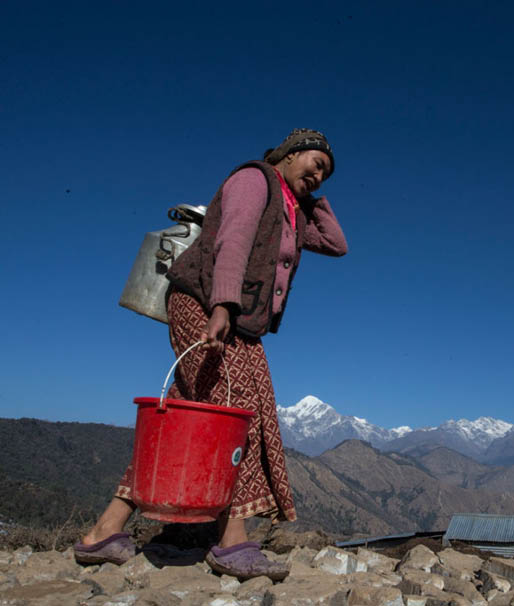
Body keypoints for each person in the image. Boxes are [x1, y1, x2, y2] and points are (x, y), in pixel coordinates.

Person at [74, 129, 348, 581]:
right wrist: (221, 305)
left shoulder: (292, 210)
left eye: (326, 173)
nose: (319, 175)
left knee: (199, 414)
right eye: (314, 163)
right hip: (206, 305)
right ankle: (232, 542)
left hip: (238, 321)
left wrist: (313, 196)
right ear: (288, 154)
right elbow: (233, 241)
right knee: (234, 412)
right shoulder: (253, 181)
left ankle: (105, 531)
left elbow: (337, 244)